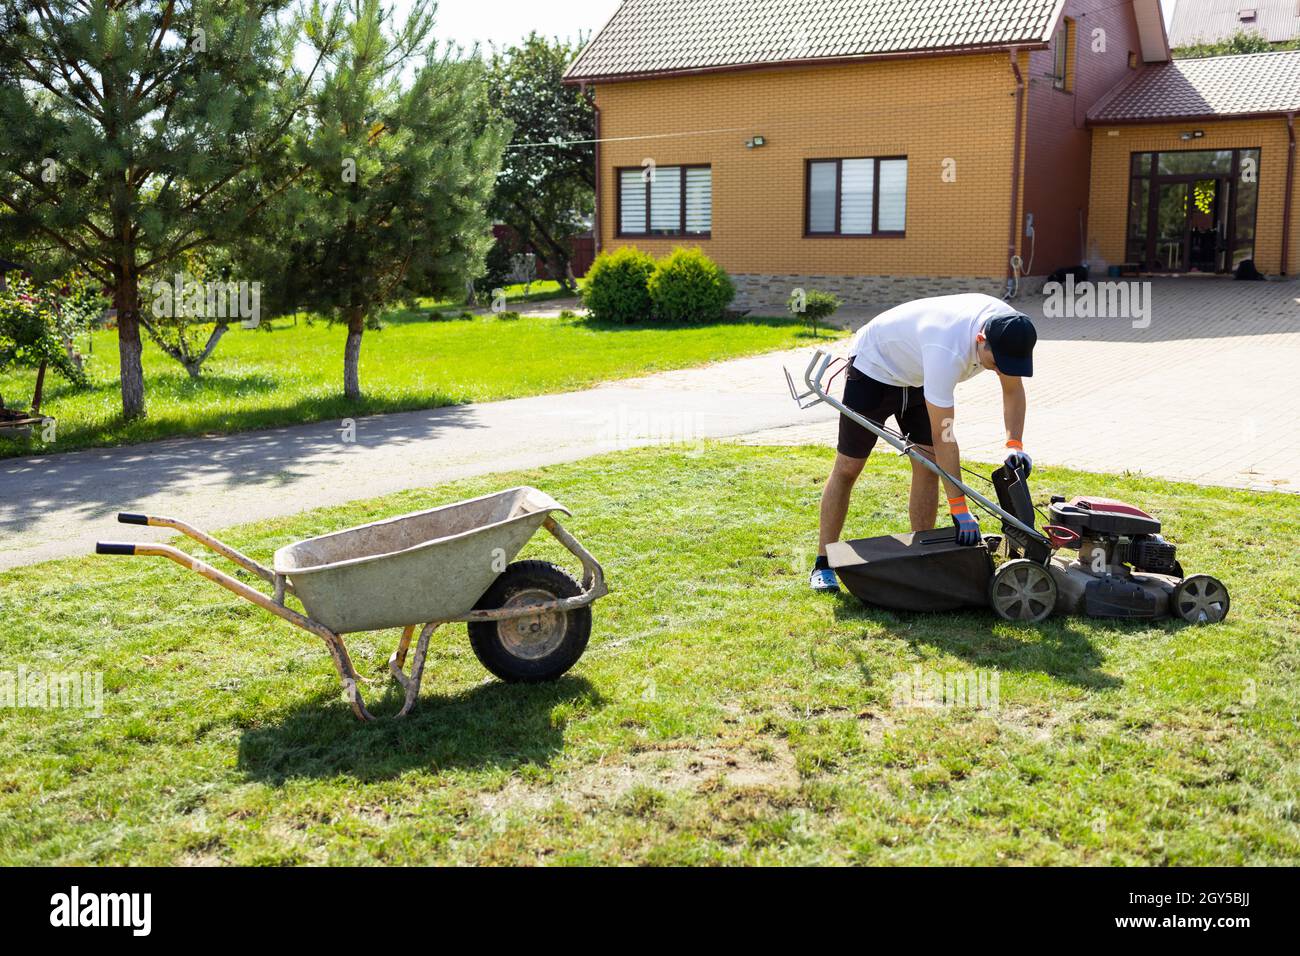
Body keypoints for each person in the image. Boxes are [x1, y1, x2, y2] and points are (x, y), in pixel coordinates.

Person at [810, 293, 1037, 592]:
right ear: (981, 339)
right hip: (874, 369)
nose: (999, 370)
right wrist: (959, 508)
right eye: (996, 363)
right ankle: (823, 562)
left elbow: (1012, 389)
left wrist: (1014, 444)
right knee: (848, 468)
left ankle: (922, 555)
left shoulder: (1010, 329)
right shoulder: (947, 350)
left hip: (917, 374)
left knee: (927, 464)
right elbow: (946, 437)